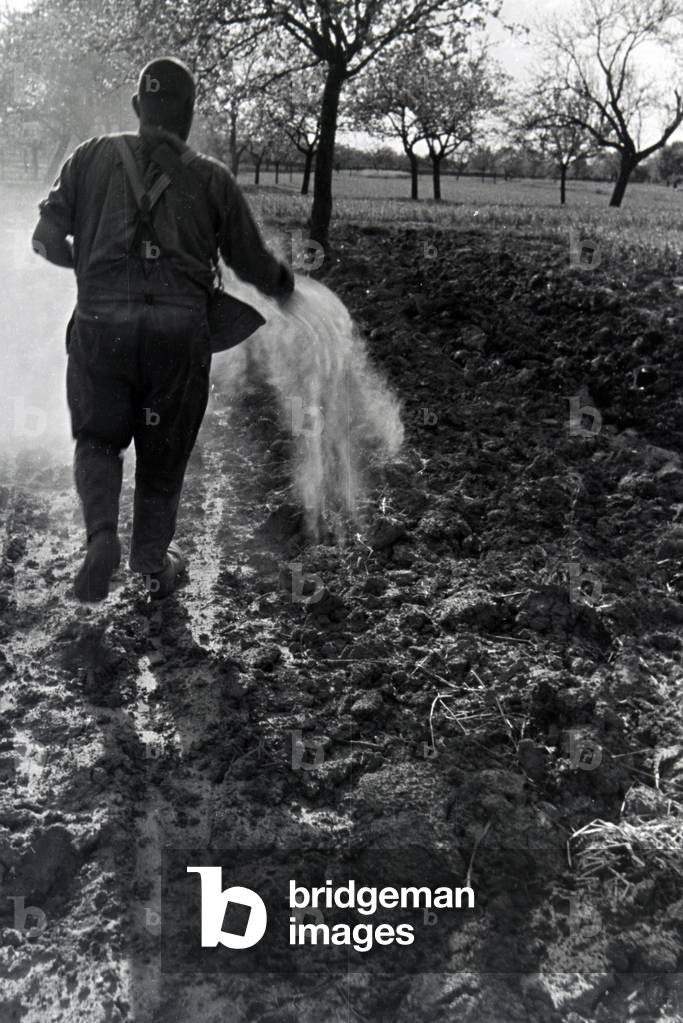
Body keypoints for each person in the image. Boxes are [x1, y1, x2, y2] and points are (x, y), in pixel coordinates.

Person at [32, 56, 295, 602]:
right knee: (163, 453)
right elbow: (251, 263)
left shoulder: (89, 156)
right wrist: (286, 285)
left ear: (137, 107)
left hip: (100, 328)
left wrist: (92, 272)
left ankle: (101, 536)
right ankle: (151, 561)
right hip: (178, 338)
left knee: (98, 439)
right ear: (190, 113)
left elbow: (46, 239)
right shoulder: (212, 179)